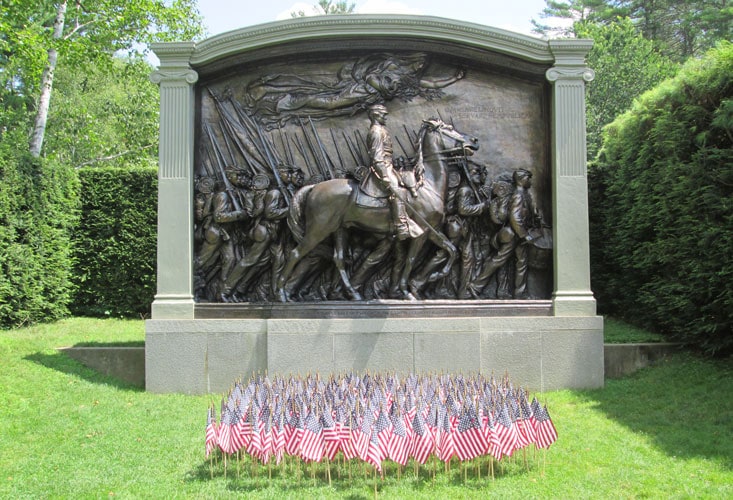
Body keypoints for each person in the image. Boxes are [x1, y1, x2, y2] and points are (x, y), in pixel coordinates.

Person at [471, 169, 539, 299]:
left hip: (518, 236)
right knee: (499, 260)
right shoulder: (518, 195)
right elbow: (515, 217)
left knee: (521, 262)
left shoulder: (524, 194)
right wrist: (525, 235)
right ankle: (475, 286)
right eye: (528, 178)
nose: (530, 181)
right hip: (513, 235)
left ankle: (520, 293)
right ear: (521, 179)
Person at [366, 104, 421, 240]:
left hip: (388, 166)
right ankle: (401, 226)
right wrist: (384, 175)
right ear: (375, 115)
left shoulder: (382, 130)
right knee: (398, 191)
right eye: (383, 114)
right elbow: (377, 157)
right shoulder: (376, 131)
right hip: (382, 167)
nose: (385, 117)